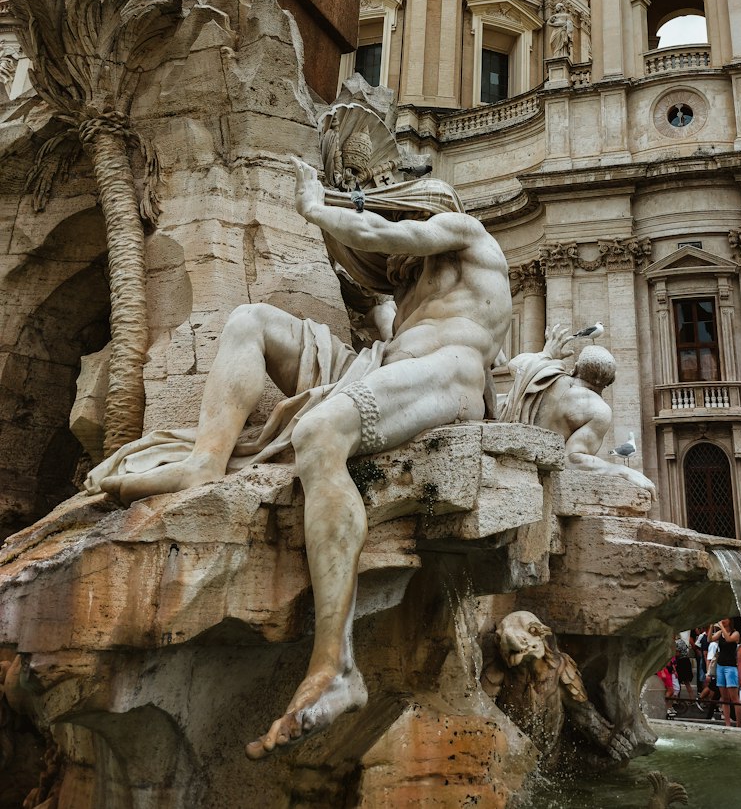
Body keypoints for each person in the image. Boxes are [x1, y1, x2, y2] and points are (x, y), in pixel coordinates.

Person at [89, 160, 512, 760]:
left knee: (318, 432)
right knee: (250, 321)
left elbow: (389, 236)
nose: (396, 270)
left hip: (449, 378)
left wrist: (316, 205)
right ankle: (204, 464)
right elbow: (379, 269)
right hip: (381, 370)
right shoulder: (406, 289)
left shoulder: (468, 233)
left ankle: (335, 662)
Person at [498, 326, 653, 491]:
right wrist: (622, 471)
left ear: (577, 367)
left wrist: (547, 354)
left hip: (502, 446)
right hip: (532, 476)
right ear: (611, 381)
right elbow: (572, 458)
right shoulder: (599, 410)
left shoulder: (548, 372)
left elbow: (514, 365)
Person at [714, 618, 741, 728]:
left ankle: (739, 724)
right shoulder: (721, 632)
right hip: (720, 665)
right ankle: (727, 723)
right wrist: (712, 626)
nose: (722, 620)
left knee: (734, 698)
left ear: (730, 621)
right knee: (724, 697)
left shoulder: (735, 633)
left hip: (730, 667)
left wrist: (721, 627)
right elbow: (710, 639)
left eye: (725, 619)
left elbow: (729, 639)